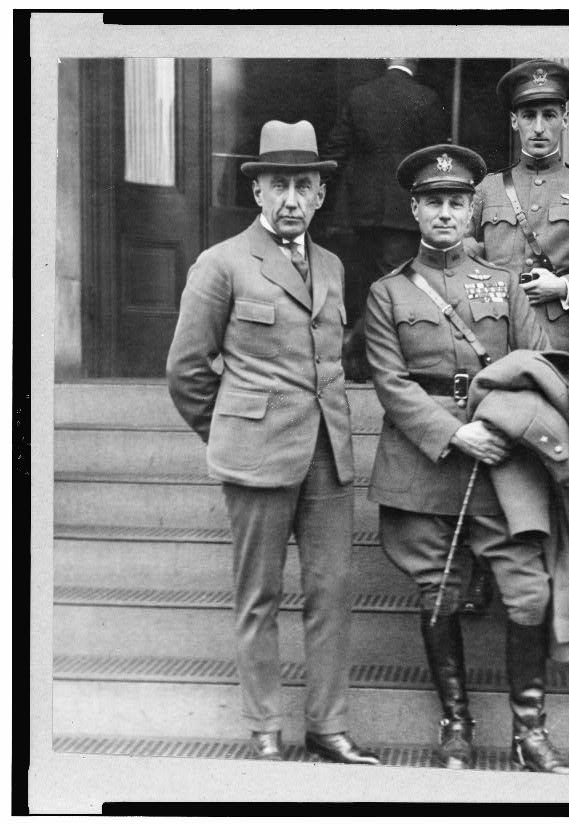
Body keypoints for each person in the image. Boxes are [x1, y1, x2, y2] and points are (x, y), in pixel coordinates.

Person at [166, 120, 380, 765]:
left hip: (327, 457)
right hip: (256, 457)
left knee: (332, 593)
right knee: (258, 596)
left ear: (320, 195)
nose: (291, 199)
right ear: (258, 191)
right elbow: (187, 371)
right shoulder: (222, 263)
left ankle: (328, 726)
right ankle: (264, 728)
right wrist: (232, 429)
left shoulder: (335, 266)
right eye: (277, 184)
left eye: (303, 186)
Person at [363, 144, 569, 774]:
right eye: (435, 202)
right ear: (415, 209)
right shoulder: (387, 293)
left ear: (470, 209)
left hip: (500, 462)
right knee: (440, 593)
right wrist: (455, 435)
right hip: (423, 463)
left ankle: (529, 733)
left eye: (457, 202)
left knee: (528, 593)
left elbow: (540, 363)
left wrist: (500, 424)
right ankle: (456, 723)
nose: (447, 213)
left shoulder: (504, 285)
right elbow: (390, 381)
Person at [463, 58, 569, 612]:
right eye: (527, 115)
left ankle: (561, 586)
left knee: (557, 461)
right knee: (494, 459)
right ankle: (487, 568)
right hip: (497, 351)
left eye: (549, 114)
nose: (538, 127)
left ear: (565, 120)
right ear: (513, 123)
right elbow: (463, 266)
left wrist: (565, 284)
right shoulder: (484, 191)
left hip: (558, 352)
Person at [323, 58, 448, 380]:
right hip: (403, 211)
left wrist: (330, 197)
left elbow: (335, 150)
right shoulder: (427, 98)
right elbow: (436, 161)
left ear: (385, 57)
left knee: (373, 286)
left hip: (359, 211)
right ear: (416, 59)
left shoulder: (359, 96)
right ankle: (359, 353)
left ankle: (361, 357)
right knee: (393, 288)